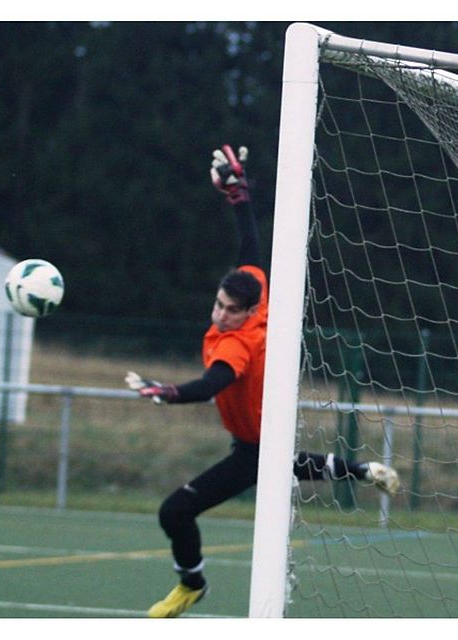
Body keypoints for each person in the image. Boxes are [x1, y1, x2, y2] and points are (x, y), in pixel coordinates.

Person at [125, 144, 399, 618]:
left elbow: (211, 385)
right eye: (218, 304)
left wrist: (166, 392)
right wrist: (237, 192)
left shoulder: (237, 345)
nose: (221, 314)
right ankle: (360, 471)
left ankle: (192, 585)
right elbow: (250, 246)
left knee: (176, 511)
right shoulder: (256, 290)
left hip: (255, 444)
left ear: (251, 311)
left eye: (232, 310)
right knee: (277, 463)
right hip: (258, 439)